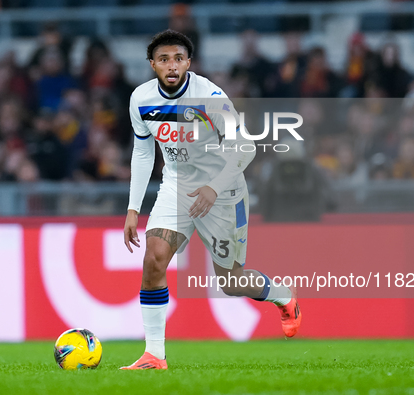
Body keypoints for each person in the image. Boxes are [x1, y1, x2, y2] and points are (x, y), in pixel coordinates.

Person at [121, 30, 301, 370]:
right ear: (152, 65)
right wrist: (133, 208)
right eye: (163, 59)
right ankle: (154, 355)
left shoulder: (212, 98)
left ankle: (283, 295)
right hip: (176, 188)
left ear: (188, 62)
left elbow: (245, 147)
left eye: (178, 59)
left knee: (231, 282)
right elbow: (143, 153)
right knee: (154, 259)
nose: (171, 65)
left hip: (224, 192)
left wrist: (214, 188)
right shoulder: (140, 99)